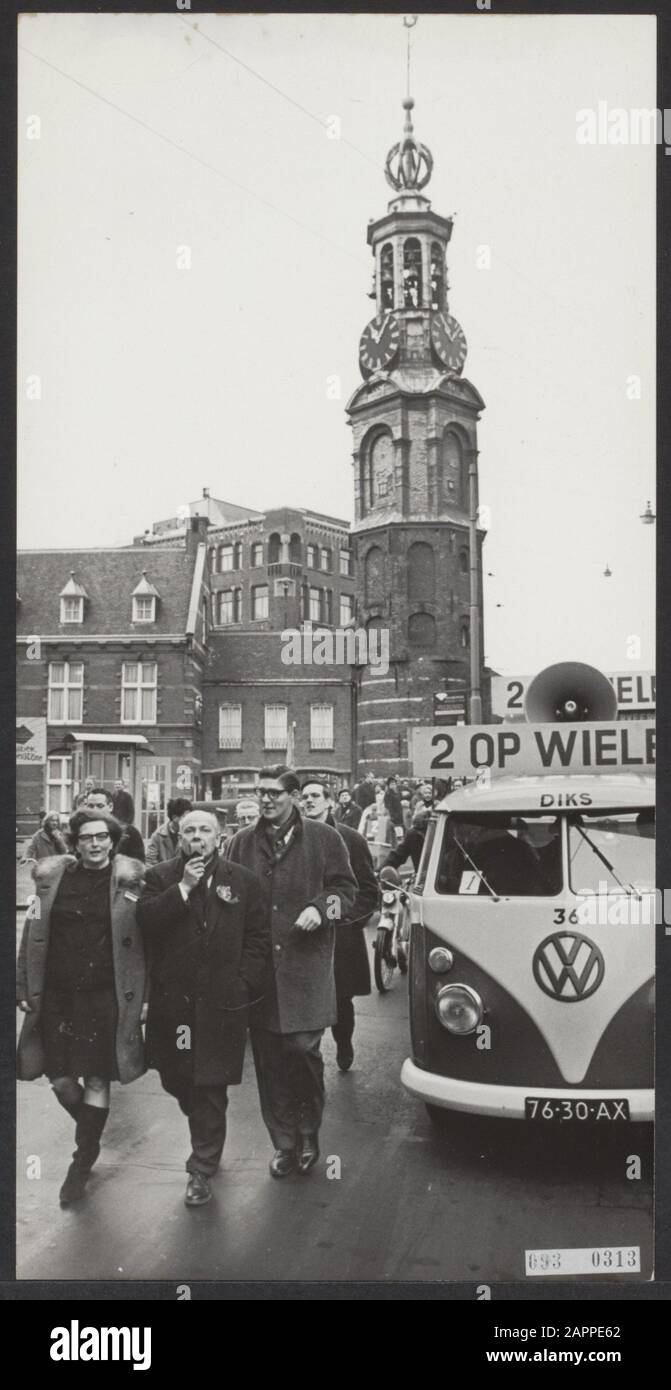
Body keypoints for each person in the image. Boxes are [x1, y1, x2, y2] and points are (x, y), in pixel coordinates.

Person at [225, 766, 356, 1179]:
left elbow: (347, 892)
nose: (266, 800)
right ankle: (283, 1143)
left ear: (295, 796)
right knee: (268, 1060)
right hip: (261, 972)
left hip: (306, 966)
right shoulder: (240, 843)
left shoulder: (324, 838)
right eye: (260, 792)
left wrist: (322, 908)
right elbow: (228, 895)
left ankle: (309, 1130)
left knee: (302, 1050)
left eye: (275, 794)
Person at [137, 809, 270, 1208]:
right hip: (174, 1007)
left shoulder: (244, 881)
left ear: (220, 836)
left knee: (208, 1085)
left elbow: (258, 937)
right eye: (190, 831)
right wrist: (183, 887)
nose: (197, 838)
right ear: (179, 837)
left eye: (205, 831)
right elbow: (145, 922)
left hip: (221, 1005)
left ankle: (201, 1169)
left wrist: (243, 982)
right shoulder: (159, 877)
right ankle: (199, 1118)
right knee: (177, 1076)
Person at [16, 809, 146, 1206]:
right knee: (59, 1079)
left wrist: (146, 996)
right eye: (87, 837)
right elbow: (31, 931)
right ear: (75, 841)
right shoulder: (50, 882)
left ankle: (82, 1160)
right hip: (58, 994)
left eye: (102, 836)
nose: (95, 844)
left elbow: (145, 941)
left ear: (113, 840)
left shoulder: (130, 883)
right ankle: (90, 1130)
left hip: (103, 994)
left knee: (96, 1078)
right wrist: (21, 982)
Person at [300, 780, 377, 1072]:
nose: (309, 801)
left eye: (315, 796)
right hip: (303, 936)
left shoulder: (350, 838)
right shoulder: (294, 839)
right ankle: (310, 1063)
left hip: (339, 936)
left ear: (330, 802)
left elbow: (368, 890)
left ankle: (343, 1044)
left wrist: (338, 918)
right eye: (305, 797)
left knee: (341, 1001)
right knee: (306, 1002)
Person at [84, 787, 145, 862]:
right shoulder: (80, 831)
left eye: (100, 806)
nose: (95, 810)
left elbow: (138, 867)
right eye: (90, 806)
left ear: (110, 807)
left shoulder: (129, 833)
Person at [382, 803, 431, 873]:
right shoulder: (414, 834)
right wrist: (380, 871)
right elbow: (398, 855)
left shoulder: (445, 831)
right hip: (423, 879)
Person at [146, 797, 193, 866]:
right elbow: (150, 862)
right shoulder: (157, 836)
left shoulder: (192, 834)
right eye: (185, 817)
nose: (189, 820)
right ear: (174, 818)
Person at [358, 786, 396, 870]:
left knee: (382, 863)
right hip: (372, 841)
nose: (379, 800)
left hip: (384, 843)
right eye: (378, 798)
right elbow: (363, 828)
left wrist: (394, 849)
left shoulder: (387, 814)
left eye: (381, 799)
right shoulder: (368, 812)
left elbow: (392, 836)